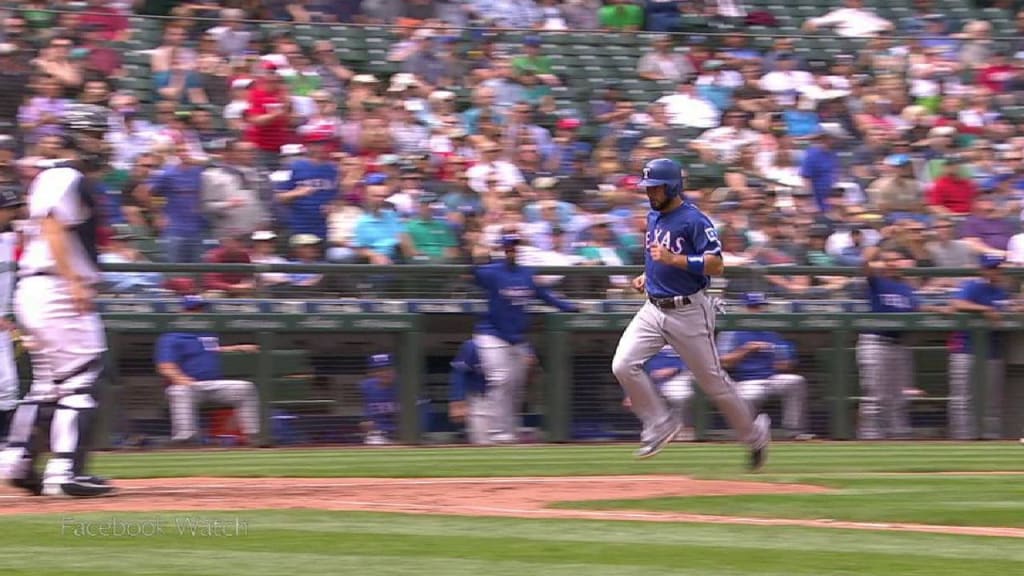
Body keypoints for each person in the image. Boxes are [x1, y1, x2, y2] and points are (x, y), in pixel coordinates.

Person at [610, 157, 770, 468]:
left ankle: (754, 436)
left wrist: (675, 261)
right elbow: (658, 257)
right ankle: (659, 422)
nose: (649, 193)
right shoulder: (654, 217)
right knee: (623, 364)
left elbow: (717, 264)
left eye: (655, 188)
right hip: (653, 307)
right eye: (647, 188)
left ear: (672, 186)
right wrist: (648, 275)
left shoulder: (695, 220)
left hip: (689, 311)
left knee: (713, 384)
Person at [0, 104, 114, 497]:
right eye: (96, 134)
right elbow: (52, 225)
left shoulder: (55, 174)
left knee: (49, 385)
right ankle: (65, 473)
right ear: (79, 136)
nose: (102, 143)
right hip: (55, 288)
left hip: (40, 288)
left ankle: (19, 461)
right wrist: (75, 283)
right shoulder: (64, 174)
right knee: (82, 380)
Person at [472, 232, 578, 443]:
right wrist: (477, 253)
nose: (512, 249)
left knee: (515, 386)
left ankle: (508, 431)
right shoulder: (492, 272)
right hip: (492, 334)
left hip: (517, 339)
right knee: (500, 380)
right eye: (508, 246)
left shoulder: (527, 274)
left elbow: (546, 296)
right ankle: (493, 431)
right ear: (502, 249)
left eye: (515, 246)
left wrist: (571, 308)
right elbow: (472, 273)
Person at [857, 246, 943, 440]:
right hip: (875, 342)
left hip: (898, 344)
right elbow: (864, 267)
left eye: (897, 260)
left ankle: (898, 436)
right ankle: (870, 437)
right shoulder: (877, 282)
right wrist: (872, 251)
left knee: (898, 396)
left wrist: (936, 309)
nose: (894, 264)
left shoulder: (906, 288)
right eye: (889, 260)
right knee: (875, 395)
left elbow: (916, 308)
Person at [154, 295, 261, 445]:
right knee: (180, 392)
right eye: (193, 309)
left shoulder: (208, 333)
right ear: (182, 312)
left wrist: (238, 348)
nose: (198, 312)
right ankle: (186, 439)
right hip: (187, 386)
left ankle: (255, 436)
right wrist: (181, 380)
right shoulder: (171, 337)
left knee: (245, 388)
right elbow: (165, 366)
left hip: (214, 385)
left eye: (201, 308)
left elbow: (210, 350)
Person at [718, 293, 811, 440]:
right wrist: (746, 350)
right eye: (753, 307)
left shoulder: (770, 330)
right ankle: (749, 434)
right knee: (748, 396)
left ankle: (794, 431)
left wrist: (782, 361)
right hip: (745, 381)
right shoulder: (732, 330)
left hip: (771, 378)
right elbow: (723, 361)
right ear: (744, 308)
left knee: (796, 381)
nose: (757, 310)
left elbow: (786, 363)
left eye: (760, 307)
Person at [948, 254, 1012, 440]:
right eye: (993, 268)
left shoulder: (1002, 291)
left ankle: (990, 438)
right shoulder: (973, 285)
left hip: (993, 350)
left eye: (999, 268)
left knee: (992, 400)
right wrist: (985, 309)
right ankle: (962, 438)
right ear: (984, 270)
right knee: (963, 399)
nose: (997, 271)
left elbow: (1007, 311)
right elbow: (957, 303)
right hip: (966, 349)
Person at [623, 345, 695, 442]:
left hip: (678, 376)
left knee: (679, 395)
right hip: (650, 380)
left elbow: (695, 359)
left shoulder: (680, 337)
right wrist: (630, 393)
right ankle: (655, 430)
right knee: (635, 400)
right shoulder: (644, 342)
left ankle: (681, 430)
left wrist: (675, 369)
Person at [0, 185, 24, 444]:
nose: (10, 214)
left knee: (7, 386)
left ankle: (6, 441)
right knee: (5, 384)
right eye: (7, 209)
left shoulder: (9, 239)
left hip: (4, 322)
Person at [448, 338, 491, 444]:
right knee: (482, 442)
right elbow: (459, 371)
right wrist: (457, 399)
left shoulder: (517, 344)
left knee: (507, 441)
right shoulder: (473, 345)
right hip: (480, 399)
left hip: (506, 401)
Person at [360, 353, 399, 445]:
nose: (384, 373)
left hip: (405, 434)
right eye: (379, 370)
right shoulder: (366, 386)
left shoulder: (406, 385)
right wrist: (365, 422)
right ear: (372, 373)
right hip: (378, 435)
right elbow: (366, 417)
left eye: (388, 369)